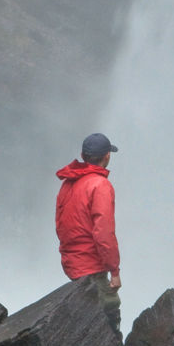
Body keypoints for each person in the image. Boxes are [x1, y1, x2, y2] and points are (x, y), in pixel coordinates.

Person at [55, 132, 122, 333]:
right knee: (108, 319)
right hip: (91, 267)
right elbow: (104, 233)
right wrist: (114, 272)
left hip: (73, 264)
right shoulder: (100, 185)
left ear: (83, 156)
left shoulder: (68, 183)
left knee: (86, 322)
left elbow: (61, 224)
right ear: (107, 156)